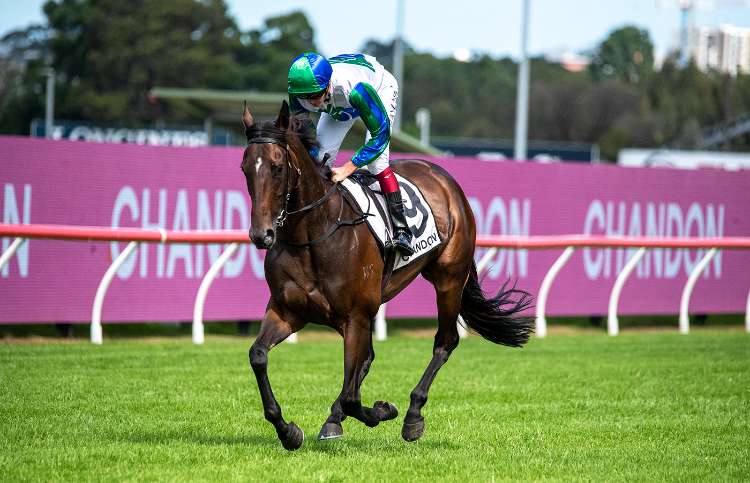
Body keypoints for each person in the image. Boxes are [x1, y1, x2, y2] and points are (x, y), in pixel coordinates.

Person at [287, 52, 414, 256]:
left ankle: (402, 230)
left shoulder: (355, 90)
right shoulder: (298, 92)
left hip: (376, 89)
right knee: (319, 160)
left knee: (377, 164)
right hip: (337, 101)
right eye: (305, 97)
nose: (311, 102)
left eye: (314, 95)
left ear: (327, 84)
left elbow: (381, 136)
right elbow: (305, 134)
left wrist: (349, 167)